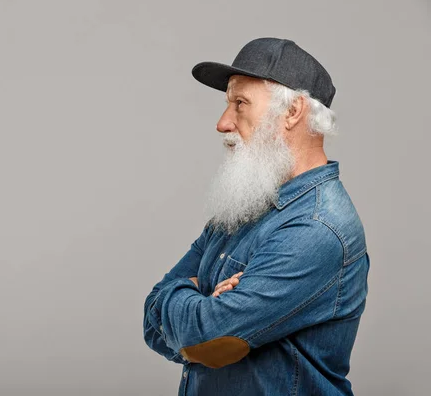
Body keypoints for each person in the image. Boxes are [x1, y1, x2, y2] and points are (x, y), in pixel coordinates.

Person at [142, 37, 370, 395]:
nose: (222, 123)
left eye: (240, 104)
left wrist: (185, 299)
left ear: (293, 111)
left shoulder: (316, 227)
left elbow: (205, 339)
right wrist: (196, 300)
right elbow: (152, 318)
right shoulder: (243, 207)